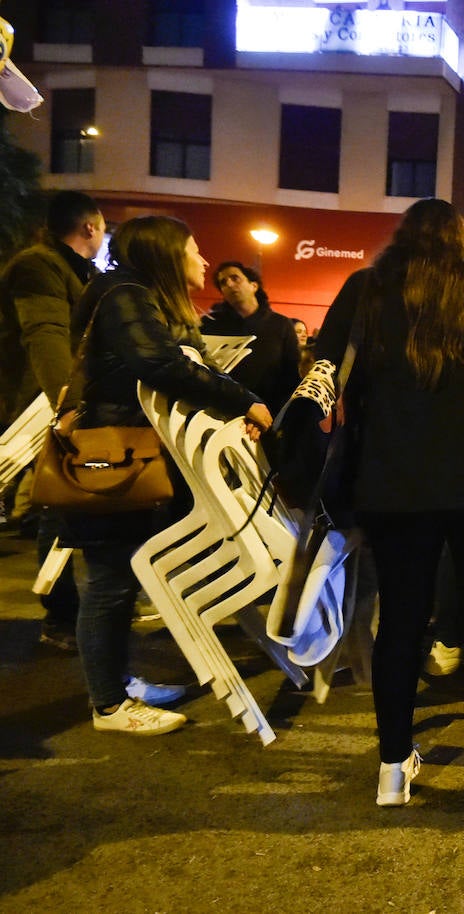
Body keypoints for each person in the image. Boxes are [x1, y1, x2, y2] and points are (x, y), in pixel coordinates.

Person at [313, 199, 464, 810]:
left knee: (399, 622)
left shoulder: (368, 288)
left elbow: (329, 371)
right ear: (460, 239)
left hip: (396, 483)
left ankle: (392, 769)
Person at [68, 215, 272, 736]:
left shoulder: (141, 297)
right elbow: (158, 363)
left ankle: (118, 683)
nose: (203, 261)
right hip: (113, 456)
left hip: (135, 453)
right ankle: (109, 705)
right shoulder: (125, 293)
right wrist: (243, 400)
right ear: (165, 254)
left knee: (123, 576)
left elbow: (184, 364)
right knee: (110, 580)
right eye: (195, 249)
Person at [0, 190, 104, 651]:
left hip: (48, 405)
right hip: (36, 408)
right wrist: (68, 407)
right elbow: (45, 336)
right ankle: (61, 621)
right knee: (54, 510)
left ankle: (66, 617)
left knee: (58, 511)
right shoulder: (39, 265)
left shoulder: (70, 270)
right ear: (90, 228)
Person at [199, 261, 301, 410]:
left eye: (235, 278)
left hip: (269, 413)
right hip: (221, 411)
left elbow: (291, 375)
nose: (229, 284)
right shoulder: (209, 325)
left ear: (254, 285)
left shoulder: (281, 325)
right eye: (223, 282)